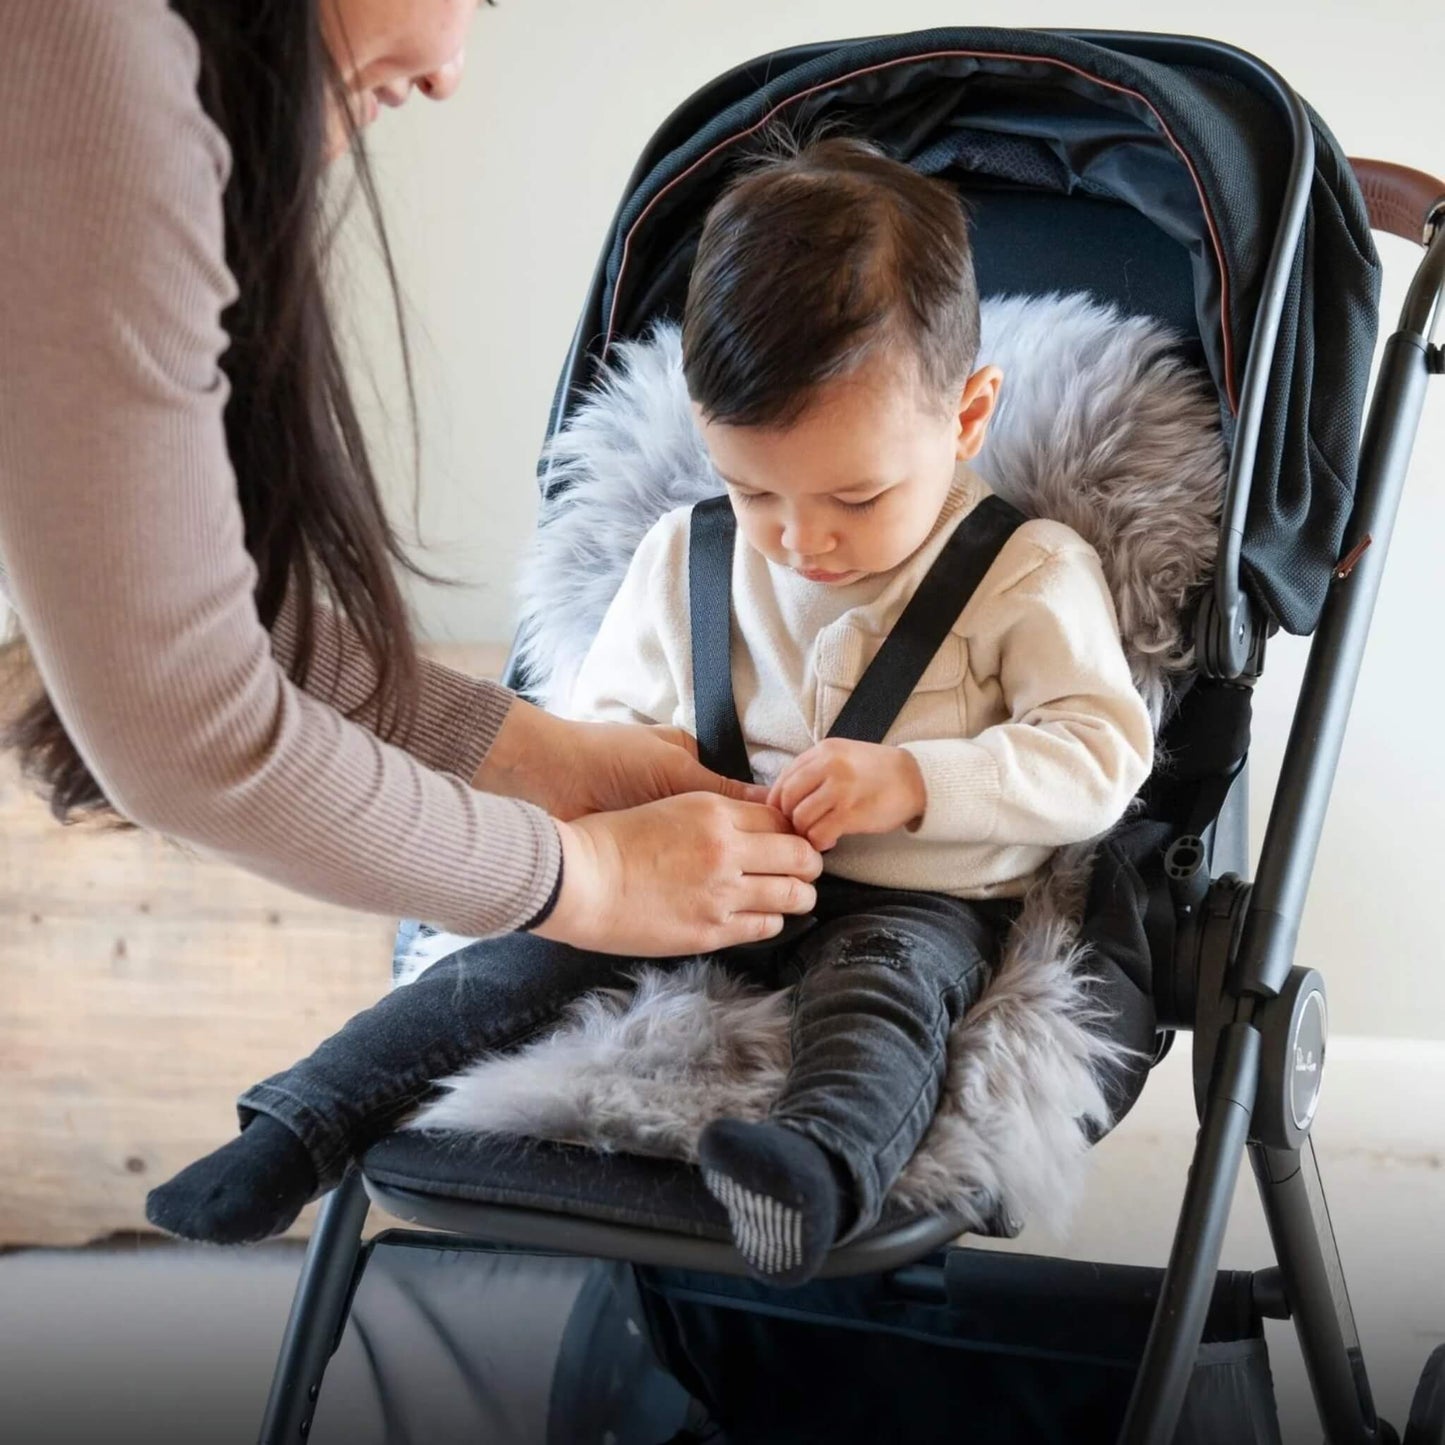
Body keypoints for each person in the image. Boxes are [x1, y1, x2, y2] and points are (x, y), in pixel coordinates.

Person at [147, 138, 1154, 1286]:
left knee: (885, 1001)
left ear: (968, 415)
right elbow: (603, 712)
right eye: (754, 486)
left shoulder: (1022, 573)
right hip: (697, 873)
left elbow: (1097, 753)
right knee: (513, 960)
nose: (801, 536)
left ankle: (807, 1165)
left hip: (914, 896)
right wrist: (657, 759)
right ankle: (300, 1121)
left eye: (855, 495)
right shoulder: (691, 550)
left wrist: (919, 781)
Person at [0, 0, 822, 957]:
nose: (448, 72)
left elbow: (180, 601)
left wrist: (538, 758)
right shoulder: (92, 54)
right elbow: (188, 722)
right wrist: (584, 878)